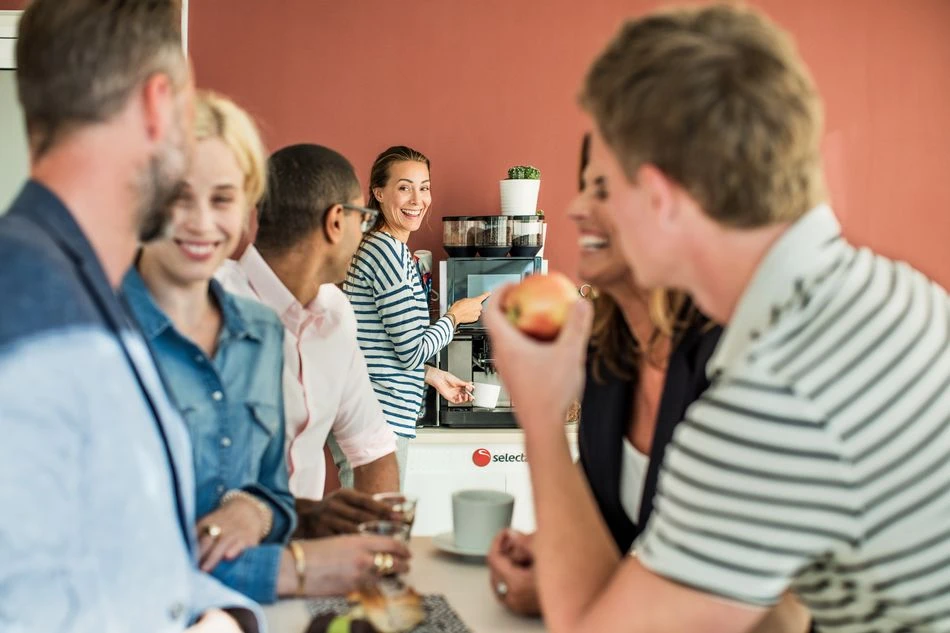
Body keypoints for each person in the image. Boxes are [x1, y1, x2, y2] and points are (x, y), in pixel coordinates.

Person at [485, 4, 950, 633]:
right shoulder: (901, 295)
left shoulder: (773, 394)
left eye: (607, 187)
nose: (588, 208)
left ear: (659, 197)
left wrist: (538, 415)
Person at [0, 1, 262, 631]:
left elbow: (126, 562)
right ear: (157, 105)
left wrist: (224, 615)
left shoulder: (91, 287)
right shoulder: (33, 309)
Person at [123, 95, 409, 602]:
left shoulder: (257, 329)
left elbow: (257, 493)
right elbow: (147, 528)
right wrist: (299, 564)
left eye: (224, 198)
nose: (202, 223)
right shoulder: (114, 331)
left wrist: (281, 518)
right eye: (179, 196)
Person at [218, 143, 405, 537]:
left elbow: (373, 451)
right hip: (219, 561)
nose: (364, 233)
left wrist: (374, 552)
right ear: (337, 221)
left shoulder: (337, 316)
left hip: (307, 563)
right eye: (365, 217)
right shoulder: (211, 304)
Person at [344, 146, 487, 482]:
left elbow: (378, 345)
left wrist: (432, 375)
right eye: (404, 187)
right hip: (377, 420)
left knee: (372, 527)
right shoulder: (388, 254)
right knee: (374, 529)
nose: (417, 199)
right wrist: (454, 316)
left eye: (424, 187)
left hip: (371, 415)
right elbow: (410, 351)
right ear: (379, 193)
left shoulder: (385, 248)